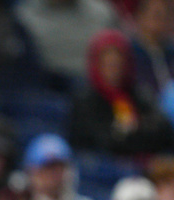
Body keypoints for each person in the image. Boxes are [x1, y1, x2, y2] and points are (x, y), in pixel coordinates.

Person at [68, 29, 174, 157]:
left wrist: (130, 131)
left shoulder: (139, 94)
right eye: (108, 64)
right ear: (96, 65)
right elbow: (101, 141)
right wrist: (134, 131)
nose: (113, 70)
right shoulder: (85, 99)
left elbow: (164, 130)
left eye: (118, 64)